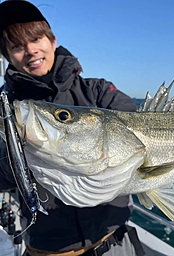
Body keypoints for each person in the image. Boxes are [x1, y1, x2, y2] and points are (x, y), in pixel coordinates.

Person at [0, 1, 145, 255]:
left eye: (36, 39)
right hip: (51, 249)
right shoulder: (7, 109)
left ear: (53, 41)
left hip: (116, 240)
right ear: (7, 56)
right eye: (17, 47)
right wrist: (17, 159)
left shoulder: (97, 91)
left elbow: (138, 127)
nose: (31, 50)